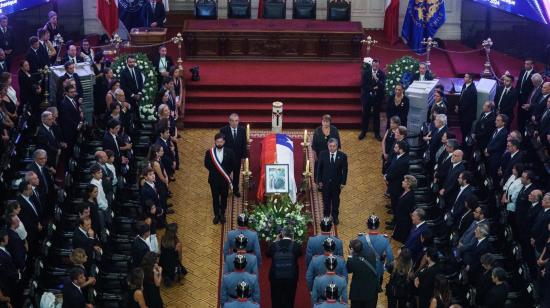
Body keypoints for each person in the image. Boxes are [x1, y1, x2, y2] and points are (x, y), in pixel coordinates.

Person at [204, 133, 235, 224]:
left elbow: (232, 164)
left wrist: (225, 172)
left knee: (224, 197)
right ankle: (216, 215)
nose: (219, 144)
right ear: (215, 142)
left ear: (224, 142)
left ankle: (222, 214)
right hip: (214, 180)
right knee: (215, 198)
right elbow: (206, 164)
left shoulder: (230, 152)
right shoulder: (209, 152)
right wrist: (215, 172)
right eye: (218, 142)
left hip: (225, 180)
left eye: (221, 142)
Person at [267, 227, 302, 308]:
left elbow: (267, 253)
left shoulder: (275, 245)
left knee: (276, 299)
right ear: (292, 235)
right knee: (289, 299)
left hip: (276, 277)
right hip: (291, 277)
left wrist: (275, 241)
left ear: (281, 234)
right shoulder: (296, 246)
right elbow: (299, 254)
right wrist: (293, 242)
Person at [316, 138, 348, 225]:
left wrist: (343, 182)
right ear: (328, 146)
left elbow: (345, 170)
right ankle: (326, 216)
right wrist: (319, 181)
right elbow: (319, 168)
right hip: (325, 183)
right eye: (330, 146)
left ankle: (335, 216)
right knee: (326, 200)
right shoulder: (322, 154)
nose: (332, 148)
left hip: (336, 184)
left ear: (337, 146)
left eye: (334, 146)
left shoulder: (343, 156)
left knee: (335, 201)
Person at [357, 215, 393, 288]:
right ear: (379, 225)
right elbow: (390, 259)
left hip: (364, 270)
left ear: (367, 224)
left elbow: (356, 256)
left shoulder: (361, 239)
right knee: (376, 290)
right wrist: (384, 267)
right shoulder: (384, 240)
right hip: (378, 270)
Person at [220, 113, 247, 197]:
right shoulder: (223, 130)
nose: (235, 123)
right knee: (226, 174)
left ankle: (236, 190)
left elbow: (244, 144)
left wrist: (243, 156)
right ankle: (225, 189)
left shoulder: (242, 130)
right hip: (227, 158)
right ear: (229, 121)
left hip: (238, 158)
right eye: (232, 121)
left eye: (236, 121)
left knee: (236, 175)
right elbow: (222, 144)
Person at [346, 239, 378, 308]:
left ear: (352, 249)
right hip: (370, 291)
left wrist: (350, 256)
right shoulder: (371, 254)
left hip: (357, 293)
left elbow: (349, 270)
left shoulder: (352, 261)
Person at [359, 59, 385, 141]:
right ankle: (363, 131)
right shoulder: (366, 73)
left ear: (378, 65)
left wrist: (376, 79)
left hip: (377, 98)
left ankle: (377, 133)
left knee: (376, 116)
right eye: (373, 65)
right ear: (372, 65)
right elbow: (363, 85)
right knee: (365, 115)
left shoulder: (382, 74)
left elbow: (382, 86)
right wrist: (373, 88)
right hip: (367, 97)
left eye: (376, 65)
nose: (375, 66)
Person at [384, 140, 409, 220]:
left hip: (397, 186)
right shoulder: (397, 155)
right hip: (392, 183)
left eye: (396, 147)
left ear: (401, 150)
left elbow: (396, 173)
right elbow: (391, 166)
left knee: (396, 205)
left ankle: (394, 221)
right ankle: (393, 211)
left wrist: (387, 177)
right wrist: (386, 174)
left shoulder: (404, 161)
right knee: (393, 202)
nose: (394, 148)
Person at [312, 114, 341, 180]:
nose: (325, 123)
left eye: (327, 122)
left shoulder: (334, 130)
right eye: (324, 121)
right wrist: (315, 155)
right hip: (320, 154)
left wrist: (336, 154)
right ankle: (319, 182)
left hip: (331, 153)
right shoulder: (317, 131)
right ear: (321, 122)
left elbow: (338, 143)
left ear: (330, 122)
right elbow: (314, 145)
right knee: (320, 168)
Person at [393, 175, 416, 243]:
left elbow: (410, 211)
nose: (402, 182)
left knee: (403, 239)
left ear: (408, 185)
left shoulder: (410, 197)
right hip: (400, 218)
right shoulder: (405, 191)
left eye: (404, 181)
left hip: (404, 221)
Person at [58, 84, 83, 149]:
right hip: (70, 130)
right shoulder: (64, 103)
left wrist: (80, 122)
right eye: (71, 92)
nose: (74, 93)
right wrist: (77, 126)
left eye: (74, 91)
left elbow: (77, 113)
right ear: (66, 93)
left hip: (76, 128)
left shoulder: (74, 99)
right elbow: (67, 118)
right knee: (70, 148)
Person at [456, 73, 477, 142]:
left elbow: (467, 104)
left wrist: (459, 109)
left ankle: (465, 146)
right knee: (463, 130)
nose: (464, 78)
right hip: (463, 113)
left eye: (466, 77)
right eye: (464, 77)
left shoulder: (472, 90)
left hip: (468, 116)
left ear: (470, 79)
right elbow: (462, 97)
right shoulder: (465, 85)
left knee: (466, 132)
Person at [517, 59, 535, 131]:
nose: (525, 65)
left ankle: (522, 127)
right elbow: (519, 82)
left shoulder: (534, 74)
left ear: (532, 65)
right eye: (525, 63)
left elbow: (533, 88)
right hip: (519, 95)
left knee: (524, 113)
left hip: (527, 97)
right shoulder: (522, 71)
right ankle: (519, 125)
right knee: (519, 110)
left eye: (527, 64)